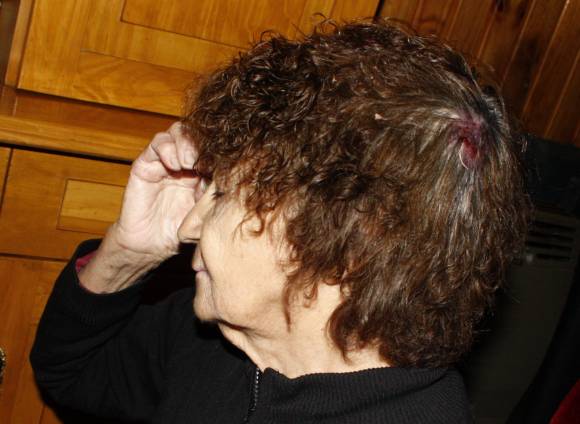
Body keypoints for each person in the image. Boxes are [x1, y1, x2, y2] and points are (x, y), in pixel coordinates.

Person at [30, 19, 529, 423]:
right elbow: (71, 373)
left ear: (345, 242)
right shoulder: (222, 339)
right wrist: (128, 254)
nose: (188, 228)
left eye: (224, 193)